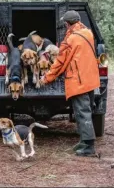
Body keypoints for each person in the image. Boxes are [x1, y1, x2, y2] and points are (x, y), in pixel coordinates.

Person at [40, 10, 100, 156]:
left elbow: (60, 62)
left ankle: (89, 148)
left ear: (67, 24)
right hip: (90, 78)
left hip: (78, 80)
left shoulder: (70, 40)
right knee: (86, 111)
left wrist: (46, 78)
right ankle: (84, 142)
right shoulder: (88, 33)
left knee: (82, 112)